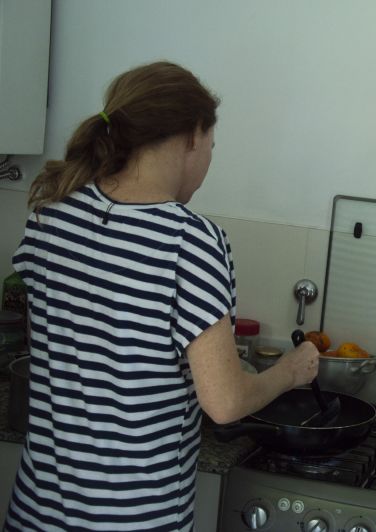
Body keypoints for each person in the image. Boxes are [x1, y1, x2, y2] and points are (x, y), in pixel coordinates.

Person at [4, 61, 320, 531]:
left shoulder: (51, 215)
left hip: (36, 512)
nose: (209, 162)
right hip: (135, 519)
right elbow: (225, 403)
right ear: (192, 136)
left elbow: (61, 349)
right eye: (212, 147)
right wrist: (289, 372)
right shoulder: (191, 242)